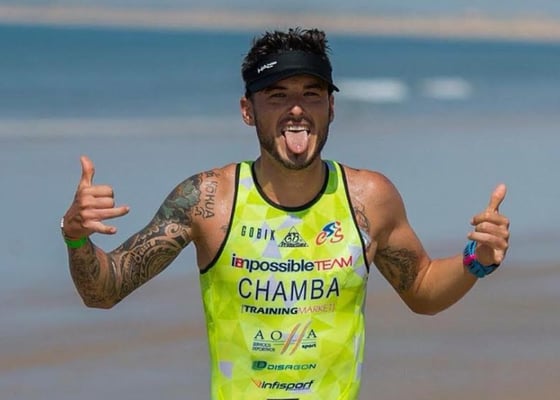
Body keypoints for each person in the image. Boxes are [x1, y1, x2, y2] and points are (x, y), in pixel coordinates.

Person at [61, 27, 510, 400]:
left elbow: (423, 291)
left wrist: (477, 259)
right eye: (277, 95)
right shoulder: (208, 200)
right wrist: (76, 236)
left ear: (331, 107)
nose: (296, 108)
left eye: (311, 94)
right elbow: (104, 290)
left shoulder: (369, 198)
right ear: (247, 110)